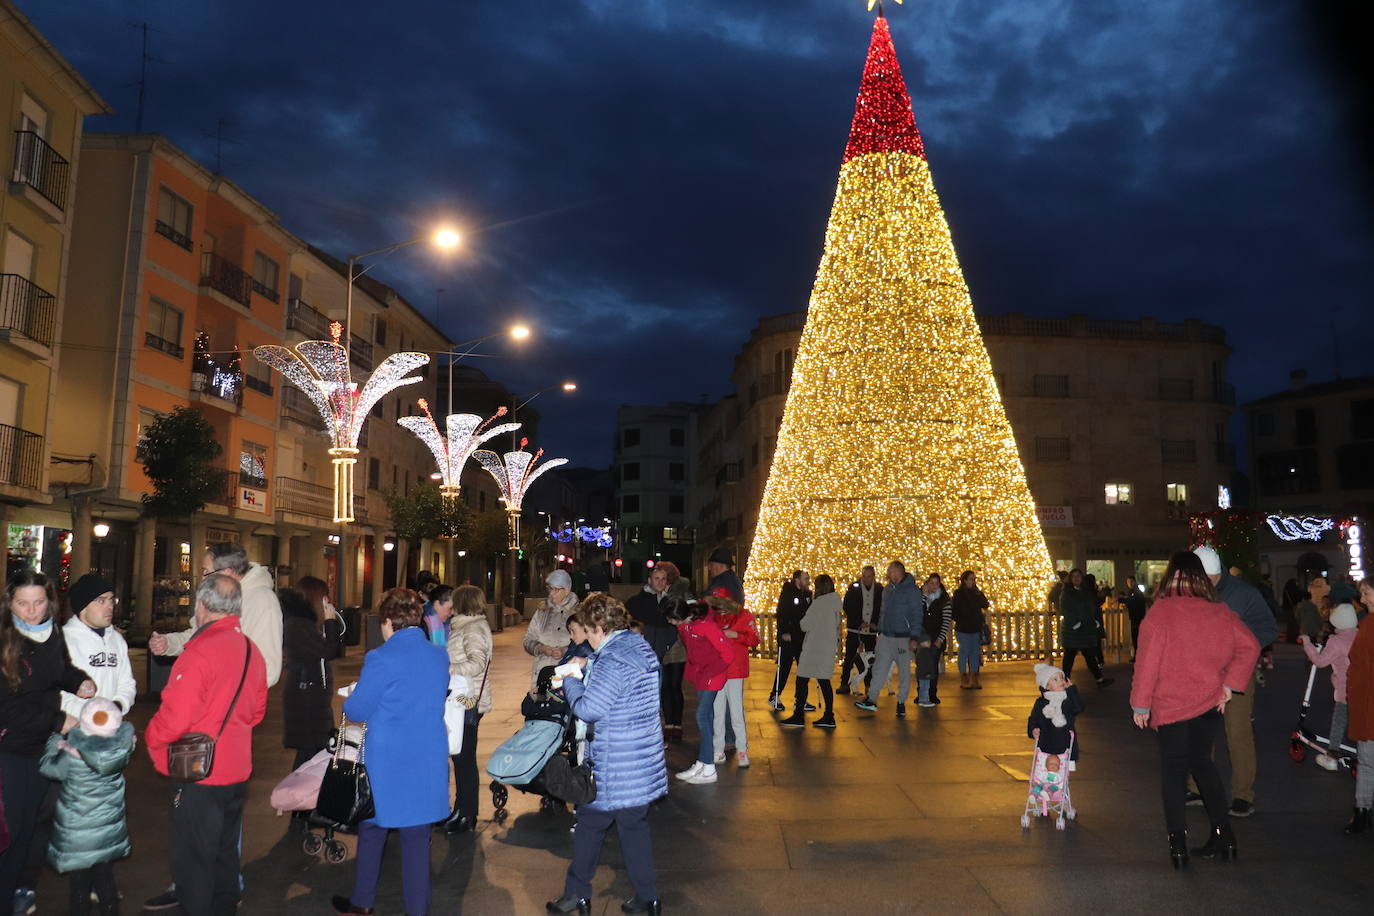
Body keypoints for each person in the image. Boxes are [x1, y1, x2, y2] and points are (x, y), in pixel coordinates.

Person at [145, 574, 268, 916]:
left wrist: (152, 736)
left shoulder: (198, 652)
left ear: (200, 606)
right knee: (225, 852)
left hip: (200, 771)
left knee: (194, 860)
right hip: (237, 768)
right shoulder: (250, 650)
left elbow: (176, 716)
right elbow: (257, 711)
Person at [1130, 550, 1259, 868]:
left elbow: (1147, 664)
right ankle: (1224, 835)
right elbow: (1251, 646)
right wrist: (1229, 685)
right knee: (1204, 766)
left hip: (1172, 706)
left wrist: (1140, 703)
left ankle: (1178, 845)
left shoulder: (1161, 613)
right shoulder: (1220, 611)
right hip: (1208, 704)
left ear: (1171, 576)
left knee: (1173, 774)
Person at [546, 593, 665, 916]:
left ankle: (576, 894)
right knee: (634, 828)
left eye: (588, 630)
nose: (587, 637)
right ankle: (647, 898)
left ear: (599, 626)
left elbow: (589, 709)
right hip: (642, 759)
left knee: (589, 826)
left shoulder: (612, 659)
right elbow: (620, 675)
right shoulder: (637, 646)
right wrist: (588, 662)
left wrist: (571, 678)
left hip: (616, 766)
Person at [332, 588, 449, 916]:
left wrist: (353, 693)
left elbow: (357, 709)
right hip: (426, 760)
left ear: (387, 621)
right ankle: (417, 909)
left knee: (371, 829)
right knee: (416, 838)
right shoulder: (439, 656)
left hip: (389, 763)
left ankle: (362, 902)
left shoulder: (381, 657)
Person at [0, 570, 96, 908]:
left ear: (50, 602)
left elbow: (60, 670)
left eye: (39, 602)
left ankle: (13, 894)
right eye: (22, 603)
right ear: (9, 603)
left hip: (39, 749)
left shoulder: (51, 633)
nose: (31, 611)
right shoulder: (5, 640)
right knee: (8, 834)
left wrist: (79, 681)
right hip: (8, 750)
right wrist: (59, 720)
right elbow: (6, 710)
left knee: (27, 830)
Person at [1188, 546, 1279, 818]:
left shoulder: (1244, 593)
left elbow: (1268, 628)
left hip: (1237, 672)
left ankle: (1243, 795)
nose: (1201, 585)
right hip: (1202, 672)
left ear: (1217, 573)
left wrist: (1244, 647)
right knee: (1201, 732)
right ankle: (1197, 787)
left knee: (1237, 732)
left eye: (1207, 579)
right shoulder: (1193, 591)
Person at [39, 697, 134, 916]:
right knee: (105, 881)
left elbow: (48, 768)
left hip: (78, 835)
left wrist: (54, 743)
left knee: (79, 887)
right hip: (107, 833)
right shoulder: (120, 751)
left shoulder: (71, 755)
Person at [149, 542, 283, 689]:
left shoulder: (263, 601)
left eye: (206, 572)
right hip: (207, 691)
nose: (202, 579)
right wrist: (168, 643)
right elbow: (198, 636)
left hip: (232, 701)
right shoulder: (217, 595)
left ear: (227, 573)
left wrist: (225, 691)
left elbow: (268, 669)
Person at [441, 584, 494, 835]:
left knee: (464, 759)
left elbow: (477, 664)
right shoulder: (466, 626)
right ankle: (462, 810)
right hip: (463, 699)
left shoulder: (472, 628)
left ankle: (467, 813)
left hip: (467, 701)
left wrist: (446, 668)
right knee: (461, 758)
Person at [280, 585, 343, 770]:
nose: (327, 603)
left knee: (312, 755)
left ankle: (300, 795)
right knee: (310, 755)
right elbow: (330, 649)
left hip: (308, 696)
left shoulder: (302, 625)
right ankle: (296, 796)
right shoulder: (298, 626)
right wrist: (331, 622)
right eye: (324, 599)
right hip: (306, 699)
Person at [854, 561, 929, 718]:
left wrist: (914, 636)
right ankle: (872, 699)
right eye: (889, 572)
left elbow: (917, 614)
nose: (890, 575)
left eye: (892, 572)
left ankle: (901, 702)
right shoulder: (887, 590)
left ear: (899, 572)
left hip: (903, 637)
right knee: (879, 668)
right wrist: (880, 631)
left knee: (903, 671)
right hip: (886, 636)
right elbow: (883, 612)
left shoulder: (912, 591)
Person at [672, 598, 734, 785]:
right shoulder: (687, 626)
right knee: (705, 717)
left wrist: (711, 672)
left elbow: (727, 654)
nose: (672, 623)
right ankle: (702, 762)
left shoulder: (706, 626)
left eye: (673, 619)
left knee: (702, 716)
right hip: (702, 675)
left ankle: (708, 767)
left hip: (711, 675)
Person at [1299, 602, 1360, 771]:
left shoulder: (1336, 641)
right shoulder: (1363, 635)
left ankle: (1331, 757)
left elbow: (1320, 661)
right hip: (1365, 689)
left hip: (1345, 690)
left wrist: (1307, 644)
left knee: (1339, 721)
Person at [626, 566, 684, 741]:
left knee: (674, 685)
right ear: (649, 580)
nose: (660, 582)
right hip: (649, 651)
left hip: (673, 648)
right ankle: (661, 727)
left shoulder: (671, 600)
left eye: (663, 579)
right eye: (656, 578)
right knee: (658, 689)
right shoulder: (637, 601)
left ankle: (676, 724)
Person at [783, 574, 841, 728]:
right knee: (824, 680)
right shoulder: (834, 602)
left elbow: (805, 625)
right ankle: (829, 715)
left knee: (801, 679)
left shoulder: (818, 604)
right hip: (827, 647)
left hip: (814, 647)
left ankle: (798, 716)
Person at [708, 592, 758, 765]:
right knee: (717, 711)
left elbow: (754, 639)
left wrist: (735, 635)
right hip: (717, 669)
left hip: (735, 670)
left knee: (736, 710)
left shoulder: (743, 615)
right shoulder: (712, 616)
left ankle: (742, 750)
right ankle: (718, 749)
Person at [1344, 578, 1374, 834]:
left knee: (1367, 761)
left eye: (1366, 593)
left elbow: (1358, 665)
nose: (1362, 599)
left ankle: (1362, 811)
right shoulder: (1366, 624)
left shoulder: (1367, 626)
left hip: (1368, 703)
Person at [1059, 569, 1114, 689]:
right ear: (1070, 578)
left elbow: (1092, 607)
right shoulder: (1067, 593)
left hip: (1085, 630)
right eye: (1073, 576)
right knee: (1069, 657)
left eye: (1078, 576)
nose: (1076, 578)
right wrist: (1075, 623)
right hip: (1072, 631)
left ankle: (1099, 679)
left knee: (1090, 655)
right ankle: (1063, 682)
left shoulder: (1086, 592)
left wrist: (1094, 621)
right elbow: (1064, 610)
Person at [525, 570, 578, 690]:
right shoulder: (542, 611)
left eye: (556, 590)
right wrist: (540, 648)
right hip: (541, 675)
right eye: (550, 589)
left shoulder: (578, 613)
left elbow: (586, 645)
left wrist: (565, 651)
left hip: (568, 676)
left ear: (567, 589)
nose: (552, 594)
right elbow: (528, 640)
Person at [768, 570, 811, 712]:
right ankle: (774, 695)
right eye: (805, 579)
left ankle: (801, 699)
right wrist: (785, 631)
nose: (808, 581)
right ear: (797, 580)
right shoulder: (788, 593)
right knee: (784, 667)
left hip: (801, 637)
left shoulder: (808, 595)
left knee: (804, 668)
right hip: (789, 637)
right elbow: (782, 613)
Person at [1028, 663, 1083, 766]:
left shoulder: (1067, 699)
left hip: (1066, 745)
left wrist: (1072, 690)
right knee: (1046, 772)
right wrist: (1033, 729)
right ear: (1047, 686)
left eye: (1062, 678)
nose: (1061, 681)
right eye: (1055, 679)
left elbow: (1078, 708)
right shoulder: (1041, 703)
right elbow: (1033, 719)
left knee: (1063, 776)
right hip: (1046, 746)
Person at [838, 566, 882, 695]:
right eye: (864, 576)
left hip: (871, 630)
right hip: (855, 629)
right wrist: (858, 622)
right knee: (849, 657)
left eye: (869, 576)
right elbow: (847, 606)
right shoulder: (854, 588)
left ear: (873, 576)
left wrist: (876, 623)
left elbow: (882, 608)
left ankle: (869, 685)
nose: (866, 579)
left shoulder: (879, 589)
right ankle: (844, 683)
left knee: (871, 659)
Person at [951, 570, 989, 690]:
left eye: (974, 579)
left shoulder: (976, 593)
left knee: (974, 652)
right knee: (964, 651)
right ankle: (964, 676)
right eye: (971, 579)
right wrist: (961, 618)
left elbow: (985, 604)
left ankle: (974, 676)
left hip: (975, 627)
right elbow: (954, 610)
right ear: (965, 580)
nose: (973, 581)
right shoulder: (958, 594)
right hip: (963, 628)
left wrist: (979, 593)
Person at [919, 573, 952, 706]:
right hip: (922, 637)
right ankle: (921, 693)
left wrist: (940, 639)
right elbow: (917, 613)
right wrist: (924, 596)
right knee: (921, 666)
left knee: (932, 666)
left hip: (936, 638)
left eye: (936, 583)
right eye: (931, 583)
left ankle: (932, 693)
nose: (933, 586)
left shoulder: (944, 600)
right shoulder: (922, 597)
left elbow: (946, 621)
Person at [1121, 576, 1150, 661]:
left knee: (1136, 637)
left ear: (1134, 582)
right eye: (1128, 582)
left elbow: (1132, 601)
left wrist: (1122, 600)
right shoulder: (1133, 591)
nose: (1129, 584)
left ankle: (1138, 656)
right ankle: (1137, 656)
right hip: (1136, 617)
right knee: (1136, 637)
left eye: (1131, 582)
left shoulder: (1136, 591)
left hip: (1137, 617)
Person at [1297, 575, 1329, 643]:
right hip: (1313, 626)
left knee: (1306, 639)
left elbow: (1297, 616)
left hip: (1304, 626)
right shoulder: (1326, 588)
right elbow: (1317, 617)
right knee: (1313, 640)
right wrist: (1320, 626)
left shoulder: (1300, 605)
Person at [422, 584, 455, 648]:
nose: (453, 612)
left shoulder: (451, 624)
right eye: (450, 608)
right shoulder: (419, 624)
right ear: (437, 603)